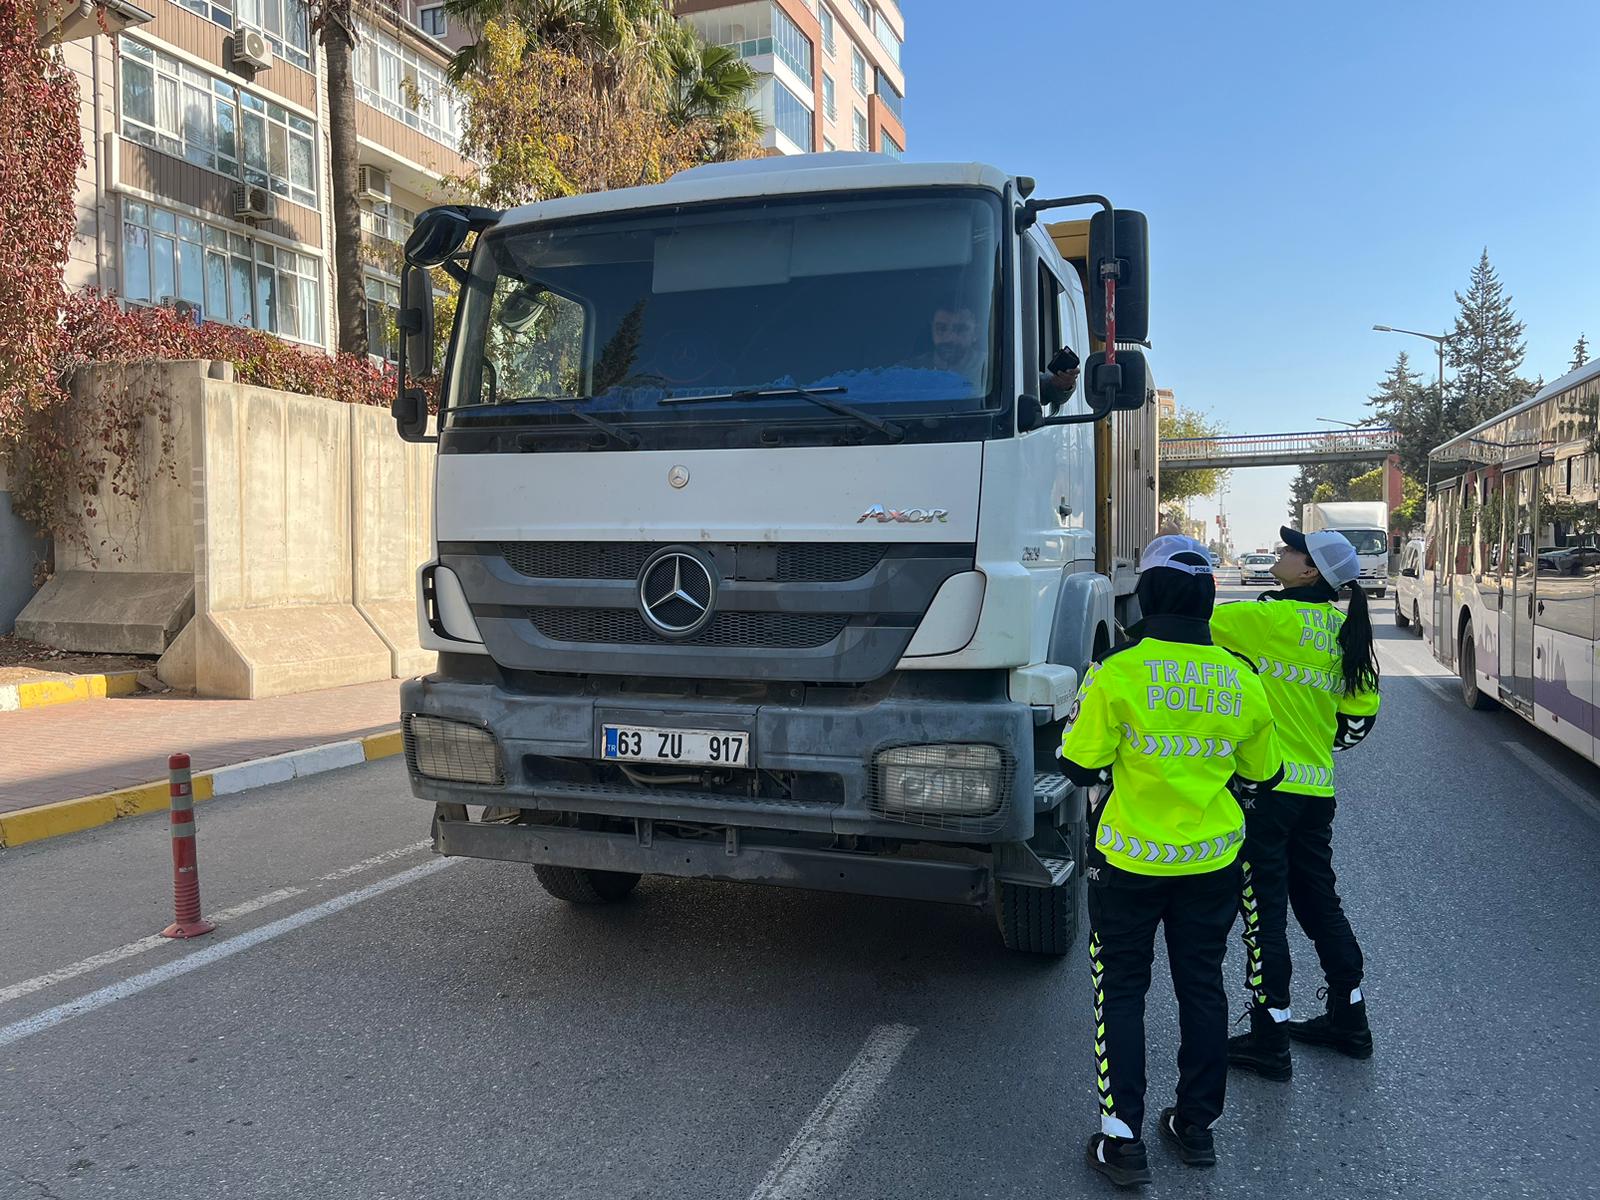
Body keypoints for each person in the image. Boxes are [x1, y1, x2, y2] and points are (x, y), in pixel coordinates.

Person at [1060, 535, 1283, 1188]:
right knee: (1203, 991)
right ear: (1210, 597)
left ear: (1148, 595)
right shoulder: (1242, 678)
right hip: (1212, 866)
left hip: (1127, 866)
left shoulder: (1118, 671)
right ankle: (1195, 1129)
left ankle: (1122, 1144)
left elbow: (1078, 763)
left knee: (1121, 996)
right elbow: (1262, 776)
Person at [1210, 527, 1382, 1081]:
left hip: (1266, 793)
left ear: (1309, 571)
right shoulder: (1345, 630)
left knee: (1264, 913)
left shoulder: (1264, 620)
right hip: (1317, 792)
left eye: (1289, 550)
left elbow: (1180, 624)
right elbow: (1359, 721)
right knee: (1319, 903)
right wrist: (1315, 744)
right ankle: (1349, 1020)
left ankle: (1269, 1037)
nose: (1279, 553)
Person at [904, 299, 1079, 398]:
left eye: (960, 329)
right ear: (932, 329)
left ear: (976, 333)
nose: (950, 338)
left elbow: (1041, 386)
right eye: (941, 329)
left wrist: (1061, 385)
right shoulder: (909, 370)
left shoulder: (997, 367)